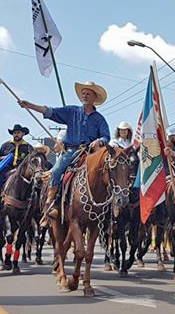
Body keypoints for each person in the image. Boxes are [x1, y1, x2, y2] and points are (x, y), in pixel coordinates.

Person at [18, 80, 110, 214]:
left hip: (90, 153)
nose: (84, 95)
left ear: (95, 98)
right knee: (56, 172)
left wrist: (100, 141)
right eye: (83, 93)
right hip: (71, 152)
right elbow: (50, 112)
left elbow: (106, 136)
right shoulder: (72, 111)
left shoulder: (99, 119)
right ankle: (50, 203)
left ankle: (107, 206)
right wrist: (30, 106)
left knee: (108, 173)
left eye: (88, 93)